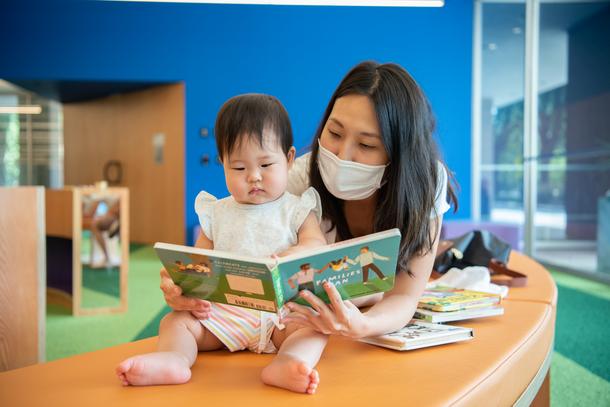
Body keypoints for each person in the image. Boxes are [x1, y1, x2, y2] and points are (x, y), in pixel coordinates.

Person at [160, 61, 458, 387]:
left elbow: (404, 296)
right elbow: (238, 234)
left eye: (367, 144)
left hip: (328, 331)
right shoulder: (298, 177)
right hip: (275, 319)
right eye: (334, 132)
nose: (342, 154)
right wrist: (185, 283)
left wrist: (362, 324)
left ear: (399, 153)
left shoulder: (426, 183)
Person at [116, 93, 329, 394]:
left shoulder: (297, 208)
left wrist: (294, 253)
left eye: (266, 164)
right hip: (224, 314)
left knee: (316, 328)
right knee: (175, 322)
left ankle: (289, 361)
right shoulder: (216, 211)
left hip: (283, 315)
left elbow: (315, 244)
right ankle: (174, 358)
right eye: (239, 168)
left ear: (290, 159)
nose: (254, 177)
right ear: (223, 164)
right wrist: (184, 280)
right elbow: (198, 259)